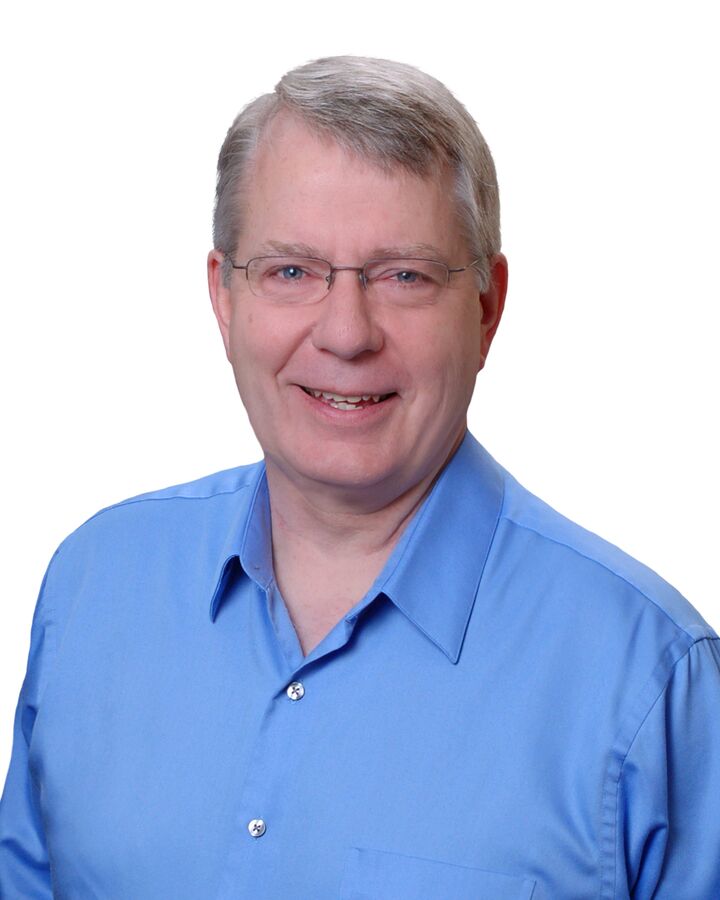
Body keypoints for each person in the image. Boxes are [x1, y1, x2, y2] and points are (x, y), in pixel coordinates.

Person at [0, 55, 718, 900]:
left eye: (404, 275)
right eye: (291, 271)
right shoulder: (95, 586)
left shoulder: (651, 681)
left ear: (486, 307)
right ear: (224, 298)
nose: (346, 333)